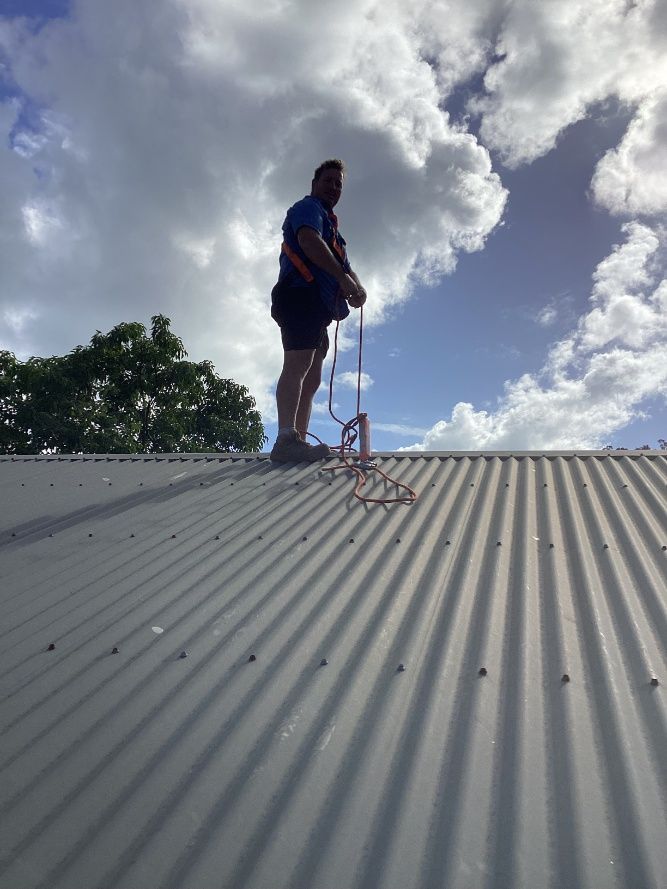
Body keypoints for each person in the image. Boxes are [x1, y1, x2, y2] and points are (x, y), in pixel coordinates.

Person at [269, 158, 367, 463]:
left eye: (338, 184)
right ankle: (286, 438)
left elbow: (346, 266)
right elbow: (308, 241)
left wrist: (358, 287)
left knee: (311, 376)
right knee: (297, 366)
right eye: (328, 181)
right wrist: (341, 279)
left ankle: (297, 441)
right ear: (315, 184)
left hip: (319, 308)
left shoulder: (334, 231)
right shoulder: (307, 208)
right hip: (299, 295)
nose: (334, 187)